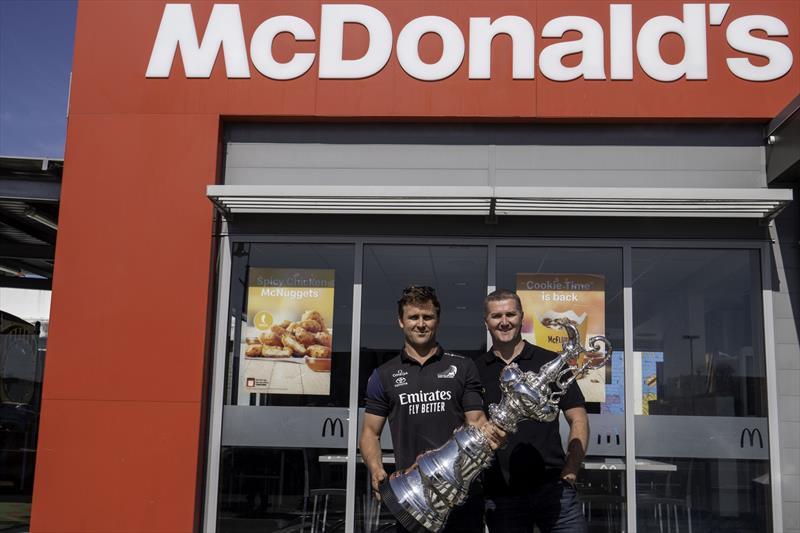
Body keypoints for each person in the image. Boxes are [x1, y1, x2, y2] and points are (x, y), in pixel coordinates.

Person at [359, 285, 502, 533]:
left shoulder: (463, 367)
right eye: (413, 317)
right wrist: (376, 469)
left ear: (437, 320)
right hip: (414, 496)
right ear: (401, 322)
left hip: (461, 494)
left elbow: (476, 422)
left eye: (428, 317)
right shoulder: (383, 375)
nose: (421, 324)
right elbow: (370, 433)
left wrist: (492, 434)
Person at [478, 288, 589, 533]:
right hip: (502, 495)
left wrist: (571, 470)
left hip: (554, 490)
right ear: (486, 321)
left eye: (510, 314)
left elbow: (578, 417)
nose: (504, 322)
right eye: (496, 316)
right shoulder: (475, 371)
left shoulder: (550, 362)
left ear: (522, 317)